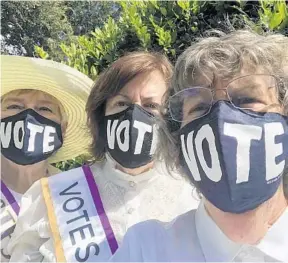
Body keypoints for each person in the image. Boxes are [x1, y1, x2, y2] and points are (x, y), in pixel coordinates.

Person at [110, 31, 288, 262]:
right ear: (177, 144)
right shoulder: (145, 249)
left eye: (246, 100)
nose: (222, 120)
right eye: (200, 108)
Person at [7, 52, 199, 262]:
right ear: (102, 116)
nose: (134, 115)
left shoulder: (196, 196)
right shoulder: (50, 195)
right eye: (121, 104)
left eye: (151, 106)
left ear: (170, 118)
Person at [0, 55, 93, 261]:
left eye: (44, 109)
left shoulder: (77, 195)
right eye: (14, 106)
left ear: (63, 128)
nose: (28, 118)